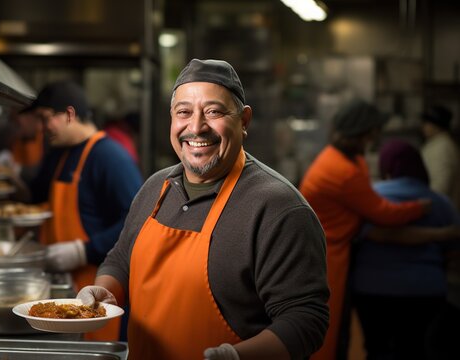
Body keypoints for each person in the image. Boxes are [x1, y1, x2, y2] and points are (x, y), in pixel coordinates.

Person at [77, 59, 329, 360]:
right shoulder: (155, 188)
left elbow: (306, 319)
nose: (196, 127)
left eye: (214, 111)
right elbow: (120, 258)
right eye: (184, 112)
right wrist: (104, 290)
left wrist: (238, 358)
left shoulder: (278, 208)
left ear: (244, 121)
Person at [298, 99, 431, 360]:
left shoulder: (342, 158)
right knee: (330, 332)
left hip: (329, 250)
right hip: (328, 255)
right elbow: (383, 213)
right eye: (373, 130)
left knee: (338, 329)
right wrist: (420, 207)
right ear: (363, 132)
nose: (376, 136)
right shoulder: (342, 170)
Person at [27, 81, 143, 340]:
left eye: (45, 119)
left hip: (97, 288)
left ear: (69, 114)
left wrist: (83, 250)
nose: (42, 128)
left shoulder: (110, 158)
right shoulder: (61, 153)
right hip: (65, 286)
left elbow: (137, 223)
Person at [351, 139, 460, 360]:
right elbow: (453, 252)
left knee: (377, 348)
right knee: (415, 349)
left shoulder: (373, 197)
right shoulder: (441, 203)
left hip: (372, 289)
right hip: (426, 290)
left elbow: (359, 236)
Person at [420, 104, 460, 211]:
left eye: (426, 123)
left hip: (442, 214)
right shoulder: (440, 144)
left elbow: (440, 188)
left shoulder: (442, 148)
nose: (423, 127)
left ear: (435, 125)